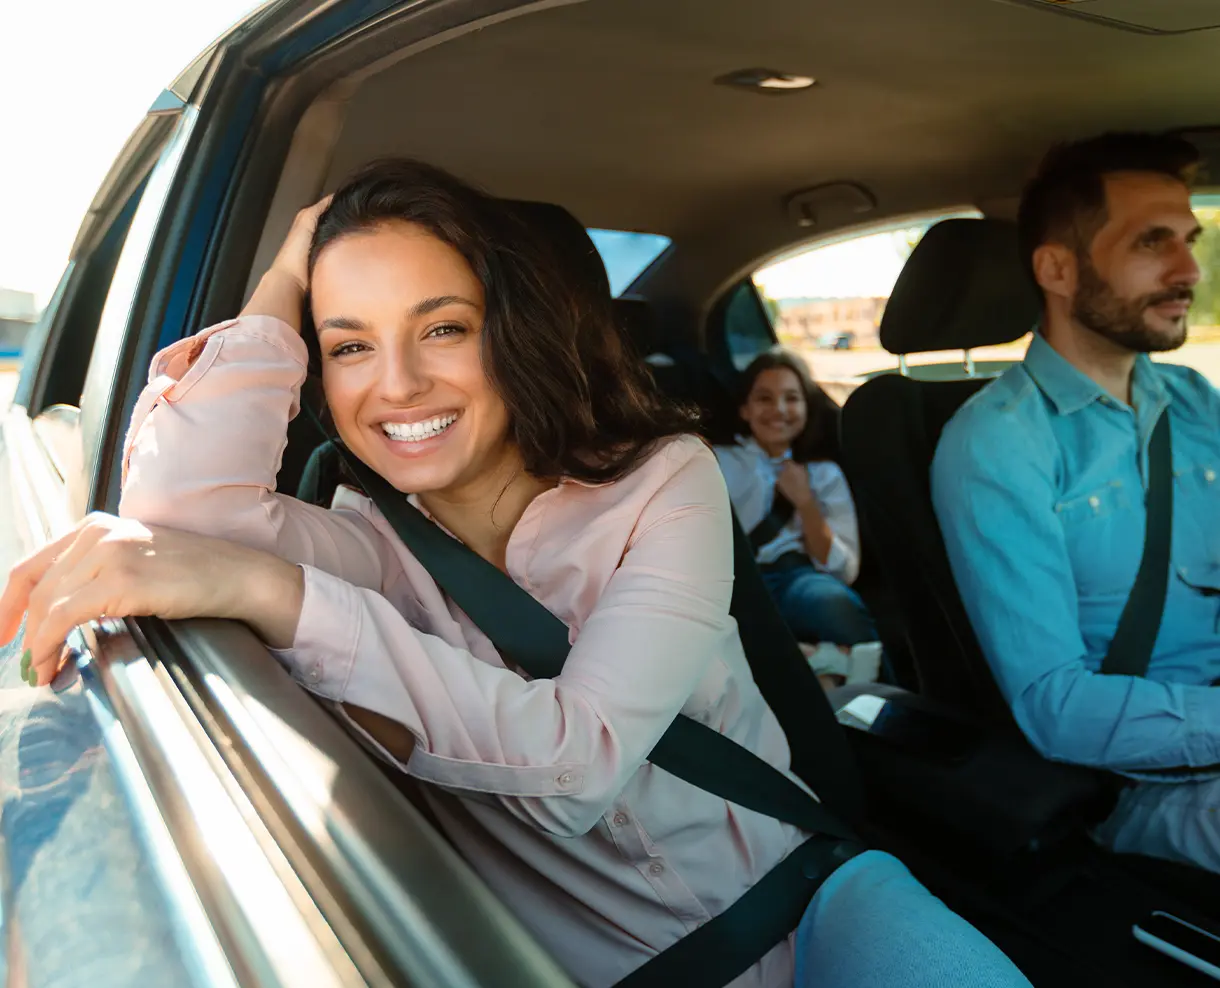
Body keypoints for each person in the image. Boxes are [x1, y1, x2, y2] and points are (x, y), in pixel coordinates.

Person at [0, 160, 1031, 988]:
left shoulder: (662, 479)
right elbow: (179, 521)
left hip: (812, 905)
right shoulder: (363, 545)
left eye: (442, 327)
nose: (398, 385)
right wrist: (280, 281)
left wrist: (270, 595)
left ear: (513, 329)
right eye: (348, 346)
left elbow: (579, 762)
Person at [931, 132, 1220, 875]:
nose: (1189, 269)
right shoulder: (998, 442)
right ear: (1058, 269)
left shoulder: (1193, 399)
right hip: (1146, 784)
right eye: (1152, 242)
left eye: (1188, 240)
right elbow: (1055, 708)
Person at [715, 350, 882, 688]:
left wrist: (805, 502)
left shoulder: (824, 474)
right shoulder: (718, 462)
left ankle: (872, 698)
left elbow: (843, 570)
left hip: (797, 578)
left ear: (806, 408)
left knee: (833, 604)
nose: (779, 409)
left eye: (791, 398)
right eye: (764, 398)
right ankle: (818, 660)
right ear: (744, 409)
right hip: (733, 582)